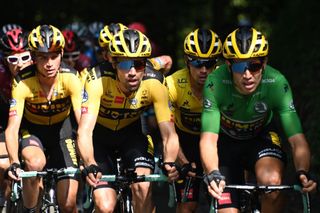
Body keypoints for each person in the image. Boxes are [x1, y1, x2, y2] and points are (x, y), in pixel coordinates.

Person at [199, 26, 317, 213]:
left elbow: (296, 139)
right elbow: (208, 138)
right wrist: (212, 172)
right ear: (229, 65)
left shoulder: (276, 82)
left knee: (272, 186)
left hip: (261, 137)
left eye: (254, 66)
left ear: (264, 63)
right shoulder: (215, 83)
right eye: (239, 66)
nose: (247, 75)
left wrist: (302, 171)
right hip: (226, 142)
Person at [77, 29, 179, 213]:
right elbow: (84, 131)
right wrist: (89, 161)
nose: (132, 72)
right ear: (113, 62)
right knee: (105, 206)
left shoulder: (155, 81)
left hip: (133, 135)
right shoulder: (97, 78)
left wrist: (170, 161)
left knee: (143, 187)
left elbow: (169, 133)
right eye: (124, 64)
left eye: (139, 64)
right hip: (100, 139)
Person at [5, 24, 83, 213]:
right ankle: (31, 209)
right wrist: (14, 162)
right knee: (35, 163)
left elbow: (83, 123)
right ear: (33, 57)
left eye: (54, 56)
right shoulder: (22, 81)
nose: (49, 63)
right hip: (33, 132)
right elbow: (12, 128)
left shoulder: (71, 77)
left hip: (62, 134)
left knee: (69, 204)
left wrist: (87, 158)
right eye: (42, 57)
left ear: (62, 54)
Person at [165, 28, 222, 212]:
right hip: (185, 142)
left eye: (210, 63)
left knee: (225, 203)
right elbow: (168, 131)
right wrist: (182, 161)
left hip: (217, 142)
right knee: (187, 206)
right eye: (197, 63)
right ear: (187, 62)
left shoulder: (226, 83)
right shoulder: (173, 84)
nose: (204, 70)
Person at [0, 27, 33, 210]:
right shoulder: (1, 76)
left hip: (32, 123)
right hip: (4, 121)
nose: (20, 64)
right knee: (3, 164)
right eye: (13, 59)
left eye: (25, 57)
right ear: (5, 61)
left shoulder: (40, 71)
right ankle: (3, 198)